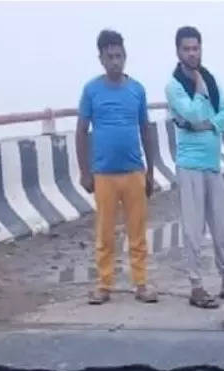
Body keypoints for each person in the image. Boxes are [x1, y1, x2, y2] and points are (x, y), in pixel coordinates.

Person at [166, 25, 224, 309]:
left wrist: (207, 125)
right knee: (194, 229)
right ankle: (196, 285)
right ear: (178, 52)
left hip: (212, 163)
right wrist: (199, 94)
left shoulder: (211, 79)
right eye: (187, 49)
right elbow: (190, 112)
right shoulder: (175, 85)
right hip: (190, 165)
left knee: (222, 226)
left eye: (196, 48)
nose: (192, 53)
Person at [77, 29, 158, 305]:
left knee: (137, 231)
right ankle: (104, 284)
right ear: (100, 58)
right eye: (109, 56)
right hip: (104, 174)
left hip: (135, 171)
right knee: (105, 232)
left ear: (125, 57)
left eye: (119, 56)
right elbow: (81, 131)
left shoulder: (137, 90)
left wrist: (151, 172)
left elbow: (146, 130)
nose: (115, 61)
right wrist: (84, 171)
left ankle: (141, 283)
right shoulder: (91, 90)